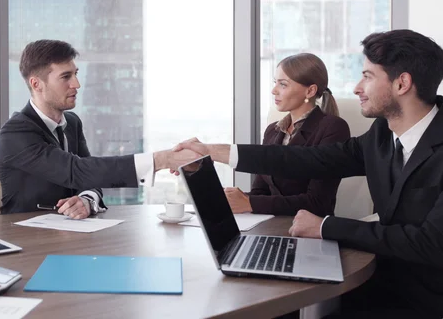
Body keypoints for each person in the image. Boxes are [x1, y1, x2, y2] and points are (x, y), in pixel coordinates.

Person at [174, 29, 443, 318]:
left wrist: (326, 227)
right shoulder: (381, 135)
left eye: (367, 76)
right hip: (379, 280)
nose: (356, 87)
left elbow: (430, 244)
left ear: (402, 83)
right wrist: (218, 152)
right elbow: (310, 159)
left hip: (425, 300)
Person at [0, 39, 197, 219]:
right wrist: (159, 160)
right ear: (36, 84)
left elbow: (90, 177)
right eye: (66, 77)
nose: (77, 84)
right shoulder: (16, 133)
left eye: (75, 74)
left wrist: (87, 199)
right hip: (25, 240)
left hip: (69, 235)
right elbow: (77, 171)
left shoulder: (72, 123)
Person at [227, 53, 350, 217]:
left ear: (310, 91)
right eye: (275, 83)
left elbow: (318, 202)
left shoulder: (333, 128)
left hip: (308, 229)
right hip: (270, 224)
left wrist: (249, 202)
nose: (273, 91)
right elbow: (260, 191)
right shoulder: (273, 131)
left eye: (283, 84)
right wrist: (233, 198)